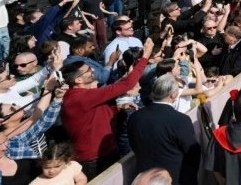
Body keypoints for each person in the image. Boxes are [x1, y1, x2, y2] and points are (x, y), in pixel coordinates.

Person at [60, 38, 154, 179]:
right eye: (87, 71)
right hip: (94, 158)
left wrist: (116, 109)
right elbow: (127, 85)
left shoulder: (80, 96)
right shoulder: (81, 97)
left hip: (104, 151)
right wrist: (145, 57)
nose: (92, 71)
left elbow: (92, 117)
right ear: (78, 80)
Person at [128, 74, 201, 185]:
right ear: (173, 95)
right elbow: (192, 152)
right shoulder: (180, 120)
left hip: (144, 177)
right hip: (175, 178)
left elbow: (134, 145)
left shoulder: (134, 117)